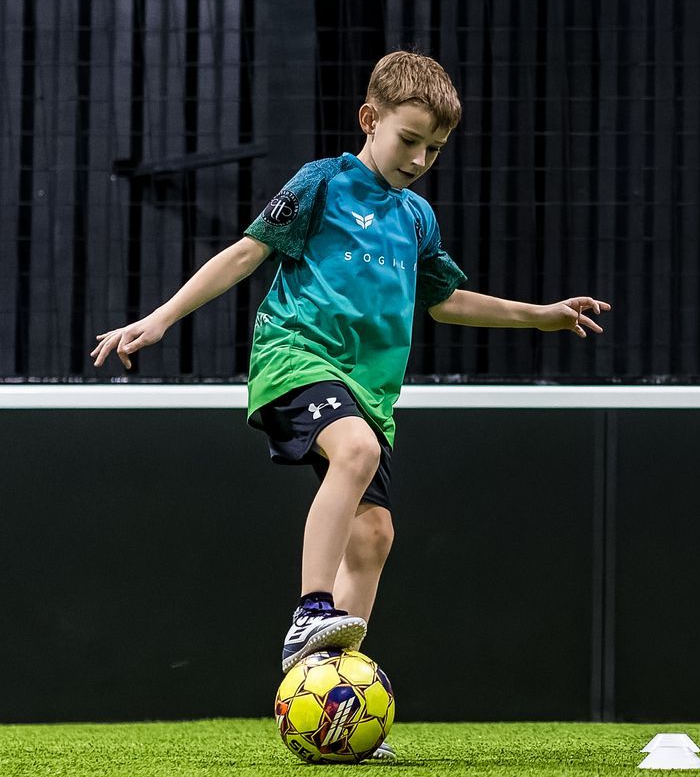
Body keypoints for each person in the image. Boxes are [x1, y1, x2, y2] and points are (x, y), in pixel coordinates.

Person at [91, 51, 612, 704]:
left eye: (436, 149)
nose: (421, 160)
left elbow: (446, 299)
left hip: (370, 393)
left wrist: (537, 317)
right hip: (297, 359)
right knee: (357, 452)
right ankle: (310, 610)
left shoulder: (416, 218)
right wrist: (162, 318)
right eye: (410, 140)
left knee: (374, 534)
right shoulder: (322, 184)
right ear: (370, 120)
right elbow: (248, 252)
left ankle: (334, 695)